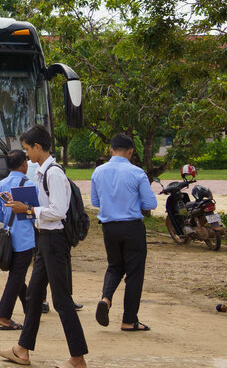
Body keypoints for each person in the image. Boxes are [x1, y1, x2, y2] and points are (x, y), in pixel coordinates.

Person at [0, 125, 88, 368]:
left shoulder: (54, 174)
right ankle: (22, 349)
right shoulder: (42, 172)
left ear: (38, 147)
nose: (26, 154)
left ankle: (78, 357)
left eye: (27, 149)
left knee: (61, 300)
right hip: (44, 240)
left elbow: (58, 211)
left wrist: (27, 209)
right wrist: (22, 206)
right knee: (34, 294)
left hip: (54, 241)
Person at [91, 133, 158, 332]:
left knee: (114, 266)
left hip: (109, 227)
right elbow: (150, 203)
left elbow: (95, 202)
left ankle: (106, 298)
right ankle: (129, 320)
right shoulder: (137, 173)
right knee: (134, 274)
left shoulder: (98, 172)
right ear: (130, 152)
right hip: (132, 227)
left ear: (110, 150)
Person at [0, 150, 35, 331]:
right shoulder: (27, 184)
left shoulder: (0, 185)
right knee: (16, 277)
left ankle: (30, 308)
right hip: (24, 238)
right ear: (24, 164)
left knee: (18, 275)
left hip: (9, 235)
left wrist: (10, 221)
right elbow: (32, 213)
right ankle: (4, 317)